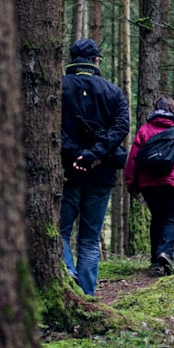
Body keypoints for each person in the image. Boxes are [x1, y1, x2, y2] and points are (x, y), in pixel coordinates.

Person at [59, 38, 130, 295]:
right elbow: (121, 127)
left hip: (68, 171)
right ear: (96, 60)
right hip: (101, 173)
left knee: (60, 233)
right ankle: (86, 295)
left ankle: (68, 280)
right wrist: (94, 155)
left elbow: (52, 126)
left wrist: (77, 155)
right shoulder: (112, 91)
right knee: (89, 239)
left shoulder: (58, 87)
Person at [124, 96, 174, 276]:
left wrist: (131, 183)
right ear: (173, 110)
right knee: (171, 219)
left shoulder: (144, 130)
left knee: (157, 219)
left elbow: (134, 159)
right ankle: (165, 253)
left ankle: (156, 262)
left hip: (149, 184)